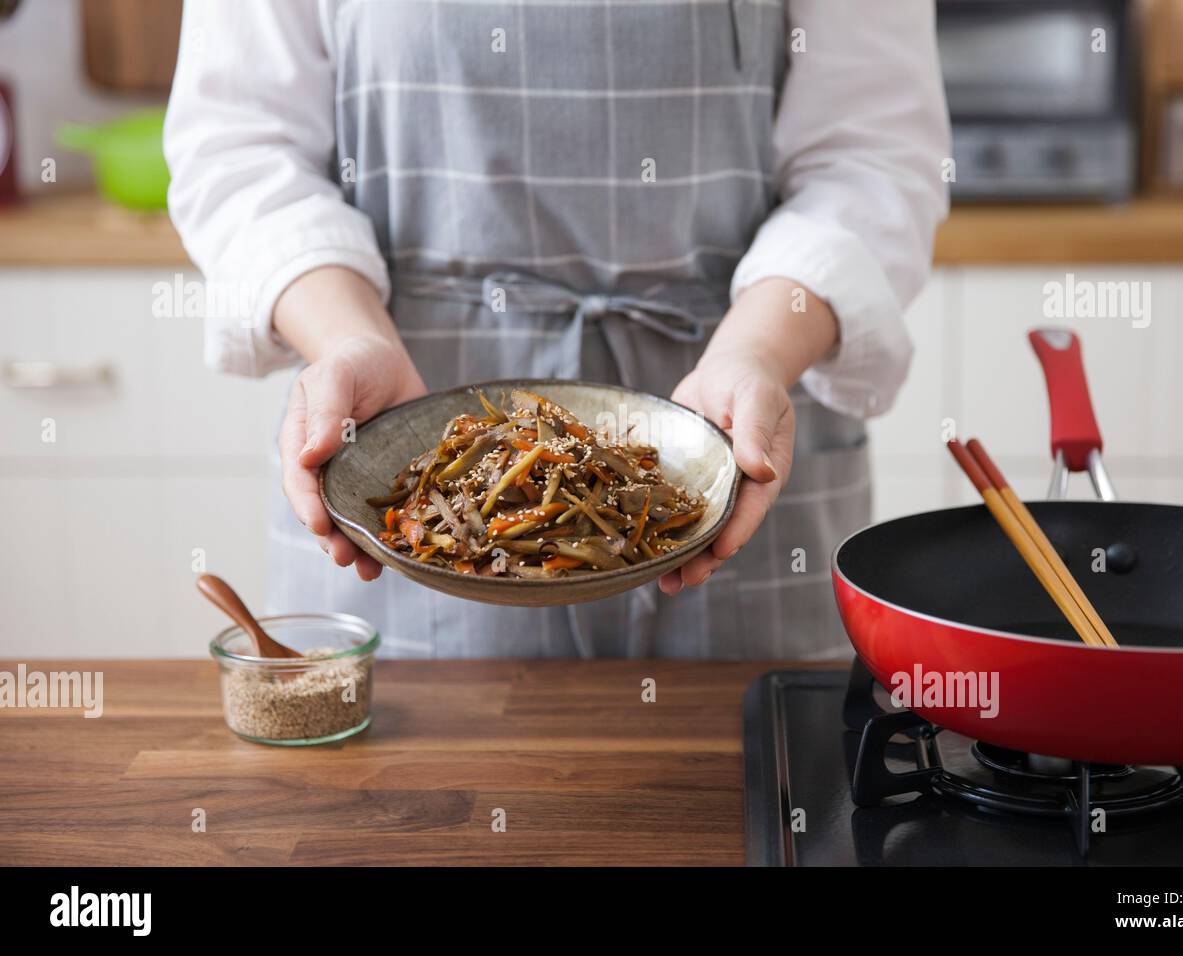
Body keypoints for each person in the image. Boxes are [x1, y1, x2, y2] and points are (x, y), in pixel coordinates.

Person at [164, 0, 949, 659]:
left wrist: (756, 352)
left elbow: (872, 155)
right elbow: (240, 147)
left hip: (727, 428)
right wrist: (346, 341)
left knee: (760, 809)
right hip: (392, 435)